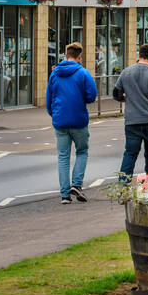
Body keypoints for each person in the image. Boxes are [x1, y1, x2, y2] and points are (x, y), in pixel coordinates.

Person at [45, 42, 97, 204]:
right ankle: (76, 184)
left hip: (60, 120)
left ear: (66, 55)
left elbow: (49, 99)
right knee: (82, 151)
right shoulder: (83, 73)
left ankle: (65, 195)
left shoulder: (54, 74)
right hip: (79, 119)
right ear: (79, 56)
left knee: (63, 156)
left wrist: (54, 114)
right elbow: (92, 95)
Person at [113, 43, 148, 182]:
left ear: (139, 55)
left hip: (132, 122)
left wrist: (127, 98)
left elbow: (116, 94)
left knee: (130, 155)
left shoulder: (126, 72)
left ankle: (122, 188)